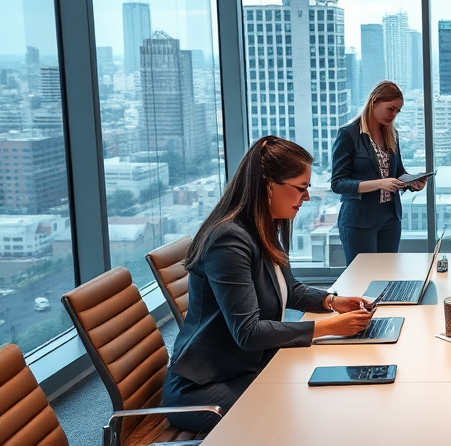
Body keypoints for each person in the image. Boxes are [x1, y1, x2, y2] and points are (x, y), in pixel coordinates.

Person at [164, 136, 374, 432]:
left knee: (319, 391)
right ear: (268, 185)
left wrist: (332, 302)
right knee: (302, 411)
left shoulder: (264, 226)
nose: (307, 198)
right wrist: (331, 327)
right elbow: (248, 332)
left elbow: (290, 289)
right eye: (301, 188)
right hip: (203, 386)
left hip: (246, 365)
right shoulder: (228, 240)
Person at [331, 81, 426, 265]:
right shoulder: (348, 135)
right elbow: (338, 183)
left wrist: (412, 183)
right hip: (359, 221)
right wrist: (379, 183)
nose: (394, 115)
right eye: (390, 109)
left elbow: (397, 172)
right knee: (362, 278)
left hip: (390, 218)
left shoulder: (392, 134)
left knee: (388, 275)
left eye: (398, 111)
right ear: (374, 102)